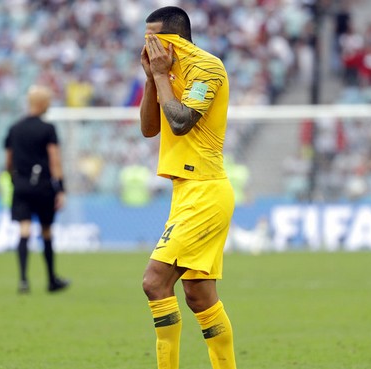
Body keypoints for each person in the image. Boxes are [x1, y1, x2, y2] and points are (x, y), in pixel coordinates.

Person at [139, 6, 236, 369]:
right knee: (198, 295)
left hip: (206, 191)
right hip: (186, 191)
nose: (148, 46)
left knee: (154, 281)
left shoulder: (207, 68)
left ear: (175, 39)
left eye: (154, 39)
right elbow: (150, 129)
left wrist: (162, 76)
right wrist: (152, 79)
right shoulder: (169, 70)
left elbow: (180, 123)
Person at [4, 85, 69, 294]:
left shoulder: (14, 128)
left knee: (24, 230)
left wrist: (15, 178)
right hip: (42, 187)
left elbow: (8, 160)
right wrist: (60, 188)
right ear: (41, 104)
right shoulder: (47, 129)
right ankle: (51, 280)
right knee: (46, 231)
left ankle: (23, 280)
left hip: (21, 185)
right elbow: (54, 159)